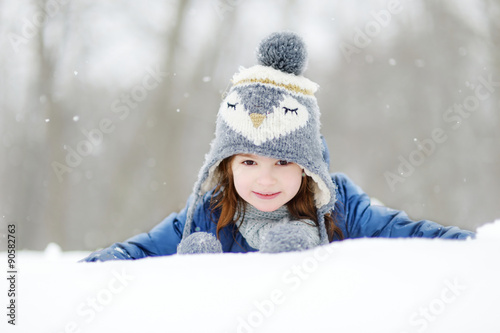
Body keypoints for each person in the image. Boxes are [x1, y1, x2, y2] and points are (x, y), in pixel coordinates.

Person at [81, 32, 474, 262]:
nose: (265, 178)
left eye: (283, 160)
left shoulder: (341, 206)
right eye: (249, 161)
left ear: (306, 167)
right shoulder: (208, 214)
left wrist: (480, 250)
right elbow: (137, 255)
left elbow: (415, 238)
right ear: (226, 164)